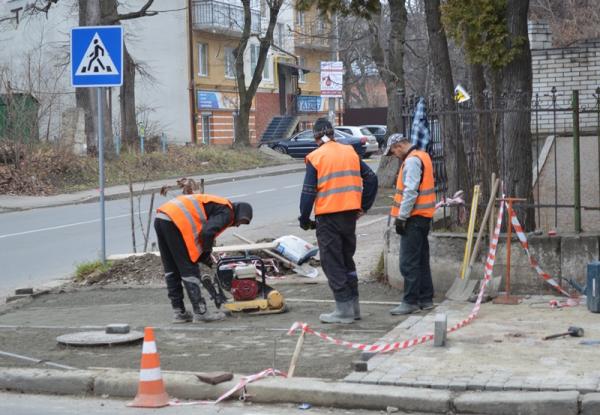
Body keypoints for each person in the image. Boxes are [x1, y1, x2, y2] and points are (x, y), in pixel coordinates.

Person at [299, 118, 378, 324]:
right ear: (333, 134)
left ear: (316, 137)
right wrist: (363, 206)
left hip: (328, 217)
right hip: (349, 215)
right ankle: (354, 307)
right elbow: (371, 178)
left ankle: (343, 310)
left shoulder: (316, 157)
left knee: (332, 262)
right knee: (346, 259)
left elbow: (308, 192)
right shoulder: (349, 151)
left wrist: (304, 218)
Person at [154, 194, 253, 323]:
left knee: (171, 268)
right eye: (241, 222)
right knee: (188, 268)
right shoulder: (228, 212)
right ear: (239, 214)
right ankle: (201, 313)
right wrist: (206, 254)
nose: (238, 225)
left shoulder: (218, 205)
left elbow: (205, 232)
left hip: (162, 218)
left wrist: (204, 255)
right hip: (176, 222)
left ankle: (179, 313)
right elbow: (207, 232)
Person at [385, 133, 436, 315]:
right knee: (421, 260)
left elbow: (411, 191)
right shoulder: (423, 156)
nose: (395, 156)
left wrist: (402, 217)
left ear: (399, 146)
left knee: (408, 262)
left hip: (413, 218)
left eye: (393, 152)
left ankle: (410, 301)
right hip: (423, 217)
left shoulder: (412, 161)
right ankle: (426, 299)